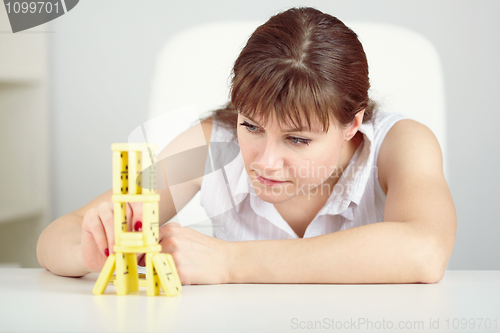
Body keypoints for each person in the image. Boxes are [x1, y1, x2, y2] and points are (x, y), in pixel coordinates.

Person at [37, 7, 456, 285]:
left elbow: (425, 250)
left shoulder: (400, 143)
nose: (266, 162)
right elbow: (58, 235)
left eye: (297, 139)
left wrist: (230, 263)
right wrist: (90, 251)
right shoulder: (208, 144)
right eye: (251, 126)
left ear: (353, 123)